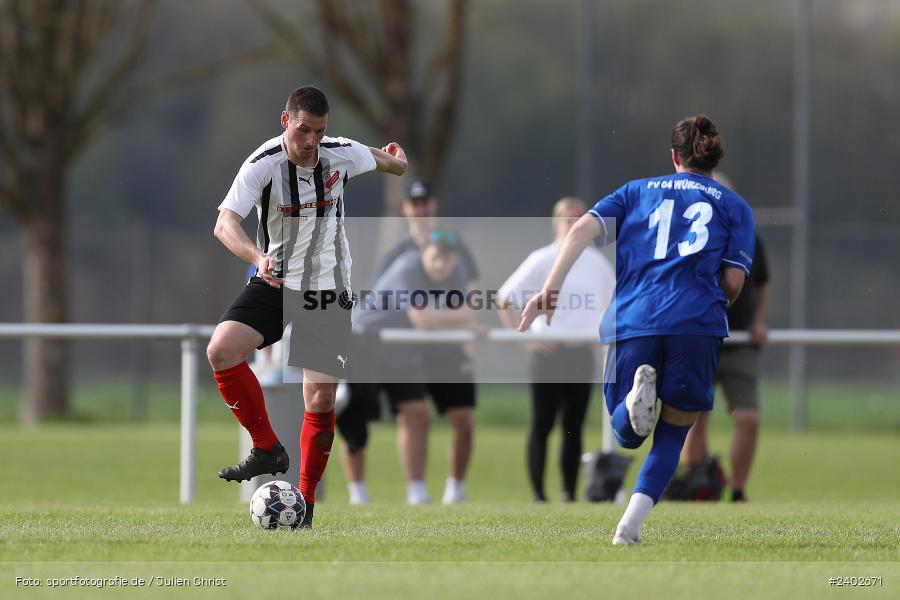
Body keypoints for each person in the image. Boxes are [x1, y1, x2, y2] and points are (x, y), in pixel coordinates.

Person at [519, 115, 755, 545]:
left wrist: (548, 290)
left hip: (634, 318)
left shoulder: (635, 192)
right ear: (715, 156)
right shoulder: (734, 206)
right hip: (695, 324)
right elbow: (734, 283)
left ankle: (632, 404)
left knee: (623, 429)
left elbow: (579, 230)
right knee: (674, 430)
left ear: (673, 156)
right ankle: (628, 526)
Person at [207, 86, 407, 529]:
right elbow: (225, 224)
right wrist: (257, 259)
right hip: (274, 276)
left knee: (318, 397)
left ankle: (307, 506)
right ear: (285, 121)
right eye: (303, 130)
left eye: (319, 131)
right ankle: (266, 447)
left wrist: (397, 160)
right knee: (221, 349)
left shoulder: (338, 153)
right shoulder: (262, 163)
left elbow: (381, 160)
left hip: (328, 287)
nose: (311, 141)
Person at [336, 182, 478, 505]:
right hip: (365, 342)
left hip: (403, 347)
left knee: (416, 412)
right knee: (355, 414)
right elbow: (423, 318)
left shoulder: (454, 267)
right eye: (437, 255)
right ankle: (357, 494)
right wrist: (459, 320)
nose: (443, 262)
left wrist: (460, 319)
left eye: (449, 256)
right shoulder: (406, 264)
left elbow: (469, 308)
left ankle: (417, 493)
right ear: (423, 252)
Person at [496, 197, 614, 503]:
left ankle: (569, 495)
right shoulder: (543, 258)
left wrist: (598, 333)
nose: (574, 224)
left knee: (573, 426)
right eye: (568, 218)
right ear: (556, 223)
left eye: (579, 218)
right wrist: (525, 340)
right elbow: (505, 298)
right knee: (543, 423)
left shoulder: (597, 263)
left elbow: (613, 303)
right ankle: (538, 494)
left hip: (580, 353)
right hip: (548, 354)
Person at [677, 172, 769, 503]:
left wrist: (758, 321)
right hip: (702, 337)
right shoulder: (691, 236)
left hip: (739, 339)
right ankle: (700, 487)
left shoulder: (749, 236)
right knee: (692, 417)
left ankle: (738, 489)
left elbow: (760, 283)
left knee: (747, 416)